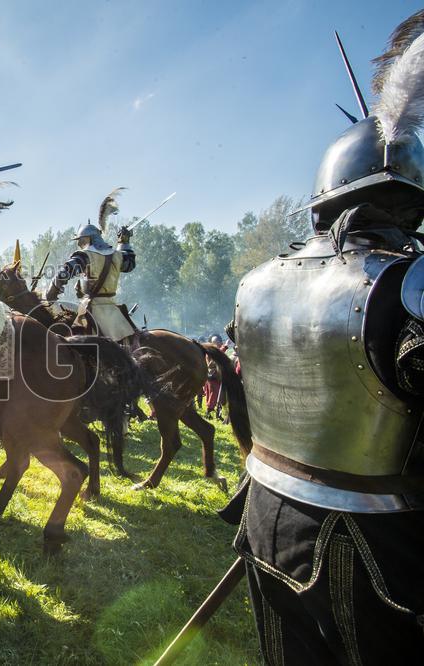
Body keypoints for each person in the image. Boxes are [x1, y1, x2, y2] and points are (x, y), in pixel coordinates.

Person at [227, 15, 424, 661]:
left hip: (265, 512)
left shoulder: (256, 282)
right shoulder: (410, 284)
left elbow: (239, 400)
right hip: (372, 547)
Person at [45, 187, 138, 345]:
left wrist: (50, 294)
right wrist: (124, 242)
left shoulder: (84, 256)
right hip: (114, 311)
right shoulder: (117, 255)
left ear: (87, 239)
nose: (80, 245)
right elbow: (130, 264)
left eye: (81, 241)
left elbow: (63, 273)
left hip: (91, 311)